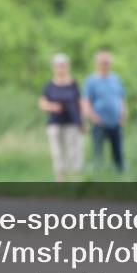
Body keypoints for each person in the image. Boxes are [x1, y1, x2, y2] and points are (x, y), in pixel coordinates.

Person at [39, 53, 86, 181]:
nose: (61, 68)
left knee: (73, 151)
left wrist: (82, 121)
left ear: (67, 67)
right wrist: (53, 107)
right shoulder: (49, 86)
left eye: (63, 65)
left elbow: (80, 102)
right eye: (58, 66)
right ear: (54, 67)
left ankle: (76, 177)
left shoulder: (73, 84)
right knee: (58, 152)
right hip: (55, 122)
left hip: (72, 122)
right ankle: (60, 178)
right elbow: (42, 103)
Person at [84, 50, 127, 173]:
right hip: (99, 121)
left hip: (115, 121)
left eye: (107, 62)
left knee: (118, 151)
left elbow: (121, 98)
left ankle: (120, 174)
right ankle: (98, 176)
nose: (105, 65)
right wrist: (92, 116)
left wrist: (123, 113)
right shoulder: (91, 81)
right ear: (97, 63)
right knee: (98, 151)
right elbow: (86, 101)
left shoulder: (116, 79)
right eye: (103, 63)